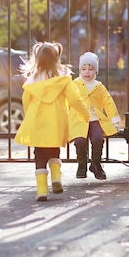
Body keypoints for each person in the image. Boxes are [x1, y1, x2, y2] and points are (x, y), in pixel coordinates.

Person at [15, 41, 90, 201]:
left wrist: (30, 118)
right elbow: (75, 99)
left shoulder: (31, 82)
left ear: (37, 59)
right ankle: (56, 178)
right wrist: (85, 115)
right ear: (56, 58)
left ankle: (42, 190)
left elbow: (26, 103)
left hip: (37, 122)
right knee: (54, 151)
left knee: (39, 154)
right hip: (56, 122)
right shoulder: (63, 79)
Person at [69, 51, 121, 180]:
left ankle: (96, 164)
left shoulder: (99, 86)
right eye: (84, 69)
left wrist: (114, 120)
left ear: (96, 71)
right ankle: (82, 164)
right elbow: (67, 102)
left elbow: (108, 102)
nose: (87, 72)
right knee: (80, 141)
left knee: (98, 139)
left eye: (91, 69)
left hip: (95, 120)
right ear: (80, 70)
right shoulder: (74, 85)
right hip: (79, 119)